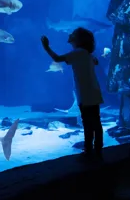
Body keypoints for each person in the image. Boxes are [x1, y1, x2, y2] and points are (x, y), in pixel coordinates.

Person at [41, 27, 104, 159]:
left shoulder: (79, 52)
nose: (70, 34)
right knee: (96, 122)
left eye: (73, 34)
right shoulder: (86, 53)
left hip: (86, 94)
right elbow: (95, 61)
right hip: (93, 91)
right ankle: (98, 148)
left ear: (79, 40)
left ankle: (88, 150)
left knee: (87, 122)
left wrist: (46, 47)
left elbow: (58, 59)